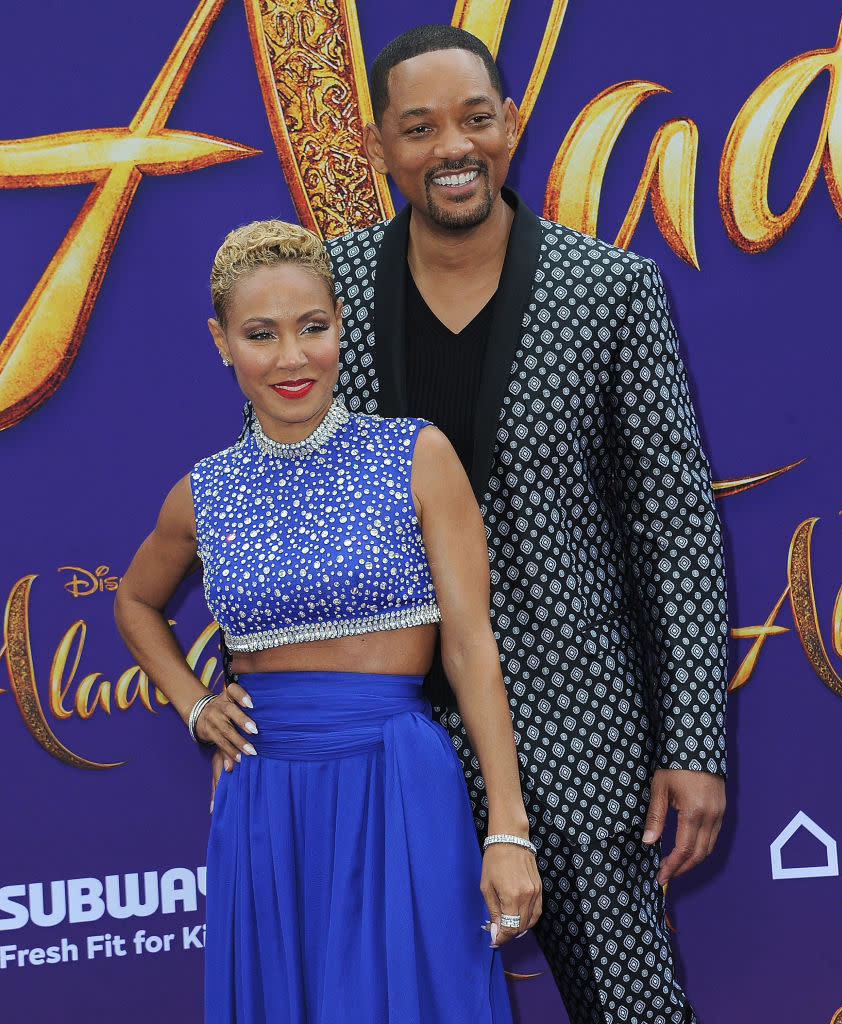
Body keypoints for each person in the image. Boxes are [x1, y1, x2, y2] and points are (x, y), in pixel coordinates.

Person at [319, 23, 728, 1024]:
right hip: (393, 734)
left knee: (633, 1007)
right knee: (401, 1005)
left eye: (475, 118)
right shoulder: (324, 292)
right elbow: (287, 503)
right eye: (419, 128)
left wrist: (695, 742)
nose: (452, 148)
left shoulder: (611, 289)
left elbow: (674, 528)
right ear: (380, 148)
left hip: (583, 725)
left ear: (514, 125)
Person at [114, 219, 541, 1024]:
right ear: (221, 342)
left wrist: (509, 831)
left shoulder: (415, 455)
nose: (292, 358)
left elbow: (471, 645)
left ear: (340, 323)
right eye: (260, 334)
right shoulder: (203, 493)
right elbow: (134, 602)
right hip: (264, 795)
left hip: (400, 781)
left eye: (313, 327)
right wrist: (197, 704)